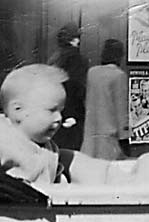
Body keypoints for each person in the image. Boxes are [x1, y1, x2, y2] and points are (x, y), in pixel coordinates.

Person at [0, 64, 111, 185]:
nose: (59, 117)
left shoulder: (44, 144)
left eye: (61, 111)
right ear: (18, 111)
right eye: (52, 110)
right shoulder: (2, 137)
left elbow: (52, 170)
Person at [81, 39, 130, 160]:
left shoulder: (92, 72)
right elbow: (121, 109)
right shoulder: (119, 76)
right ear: (120, 56)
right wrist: (125, 136)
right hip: (109, 138)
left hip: (90, 137)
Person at [47, 22, 89, 151]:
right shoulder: (76, 59)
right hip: (72, 113)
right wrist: (72, 115)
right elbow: (74, 87)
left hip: (54, 111)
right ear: (74, 40)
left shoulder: (54, 59)